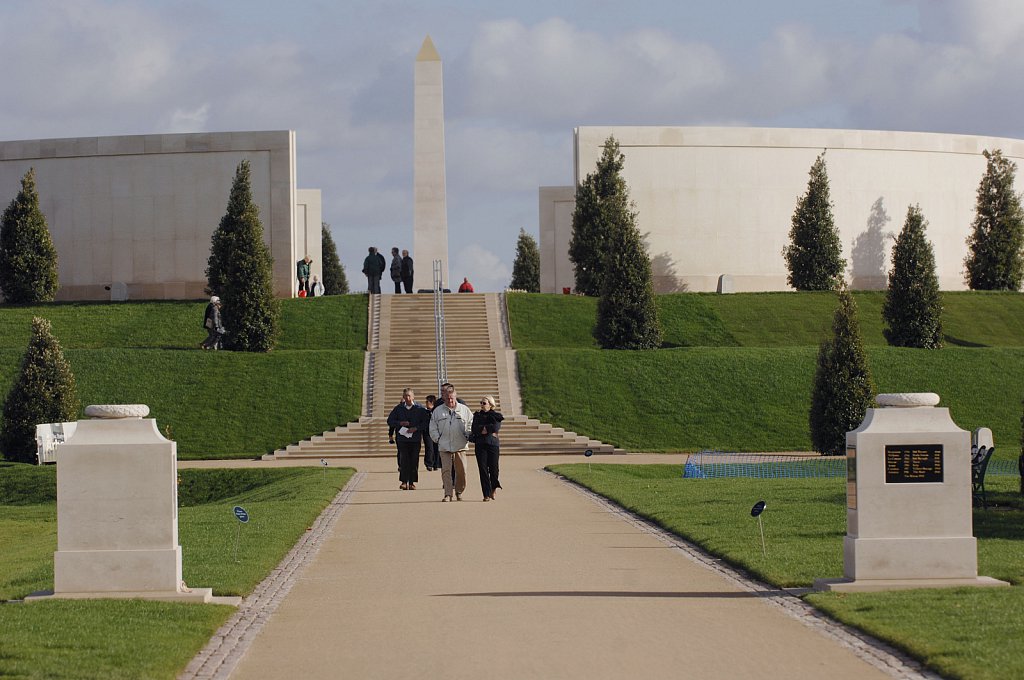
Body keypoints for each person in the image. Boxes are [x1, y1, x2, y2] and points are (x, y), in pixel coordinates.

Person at [430, 384, 473, 501]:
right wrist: (437, 438)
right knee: (446, 470)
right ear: (445, 397)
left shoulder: (464, 410)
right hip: (444, 445)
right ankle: (448, 494)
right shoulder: (438, 411)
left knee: (462, 470)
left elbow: (470, 423)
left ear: (455, 397)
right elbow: (432, 426)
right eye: (448, 398)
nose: (450, 400)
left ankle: (459, 491)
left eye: (452, 398)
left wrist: (467, 434)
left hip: (460, 445)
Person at [387, 388, 429, 490]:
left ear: (413, 397)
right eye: (405, 396)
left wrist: (416, 428)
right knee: (404, 460)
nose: (407, 398)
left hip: (415, 438)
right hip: (402, 439)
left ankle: (412, 482)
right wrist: (400, 423)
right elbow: (390, 420)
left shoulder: (420, 409)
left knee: (414, 460)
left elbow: (426, 422)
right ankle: (404, 481)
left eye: (409, 396)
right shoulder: (398, 408)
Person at [472, 395, 504, 501]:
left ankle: (493, 488)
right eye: (480, 403)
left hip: (493, 445)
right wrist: (485, 429)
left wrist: (484, 429)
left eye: (484, 403)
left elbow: (495, 427)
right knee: (483, 469)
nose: (481, 405)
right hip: (480, 445)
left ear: (490, 405)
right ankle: (486, 493)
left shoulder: (496, 416)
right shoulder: (477, 416)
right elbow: (474, 429)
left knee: (494, 469)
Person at [422, 394, 441, 471]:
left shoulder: (437, 411)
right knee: (429, 448)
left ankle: (436, 464)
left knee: (436, 448)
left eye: (427, 401)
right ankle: (429, 463)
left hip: (436, 431)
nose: (426, 403)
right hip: (427, 432)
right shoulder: (424, 412)